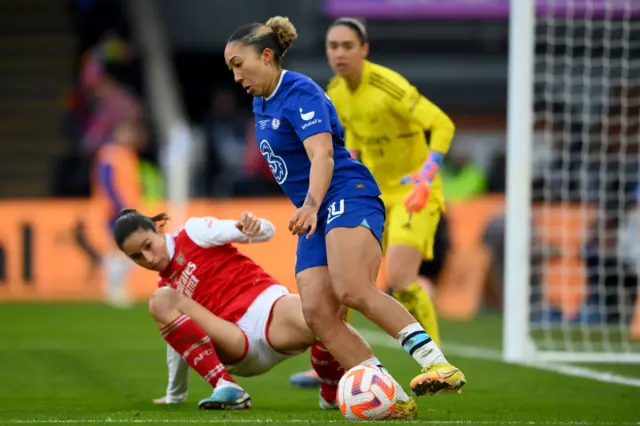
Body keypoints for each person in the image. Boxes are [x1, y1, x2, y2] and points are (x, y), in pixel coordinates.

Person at [223, 15, 465, 411]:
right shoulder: (259, 101)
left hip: (344, 194)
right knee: (317, 312)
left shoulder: (300, 91)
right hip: (315, 212)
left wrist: (311, 205)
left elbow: (323, 155)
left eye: (238, 64)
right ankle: (391, 397)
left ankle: (437, 364)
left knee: (352, 287)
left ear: (267, 56)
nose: (235, 76)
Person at [113, 209, 347, 410]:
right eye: (137, 257)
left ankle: (331, 391)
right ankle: (225, 386)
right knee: (161, 299)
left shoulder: (194, 232)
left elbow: (266, 231)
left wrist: (254, 226)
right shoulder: (165, 291)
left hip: (271, 312)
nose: (149, 259)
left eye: (148, 246)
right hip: (235, 342)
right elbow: (178, 343)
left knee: (327, 308)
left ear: (157, 230)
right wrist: (175, 395)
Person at [92, 120, 146, 307]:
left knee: (127, 250)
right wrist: (119, 206)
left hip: (128, 208)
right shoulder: (110, 153)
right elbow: (107, 182)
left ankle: (116, 288)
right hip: (115, 210)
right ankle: (112, 289)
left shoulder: (127, 154)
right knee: (119, 250)